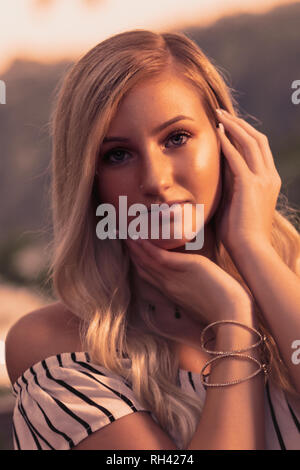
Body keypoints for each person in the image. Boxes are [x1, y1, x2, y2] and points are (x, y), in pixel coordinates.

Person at [5, 29, 300, 450]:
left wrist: (253, 247)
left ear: (227, 143)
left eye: (176, 138)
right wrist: (233, 317)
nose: (155, 182)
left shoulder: (291, 280)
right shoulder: (54, 346)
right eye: (117, 155)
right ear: (91, 183)